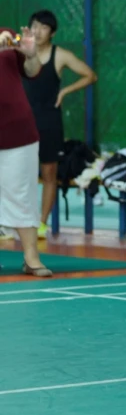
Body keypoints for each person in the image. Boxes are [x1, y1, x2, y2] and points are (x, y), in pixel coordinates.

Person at [23, 10, 97, 238]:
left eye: (43, 27)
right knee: (13, 173)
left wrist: (65, 90)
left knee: (49, 173)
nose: (37, 30)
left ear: (52, 33)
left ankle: (41, 224)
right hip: (20, 122)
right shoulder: (21, 53)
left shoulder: (60, 55)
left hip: (49, 122)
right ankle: (10, 223)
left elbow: (90, 75)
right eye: (34, 25)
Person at [0, 27, 53, 276]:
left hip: (17, 130)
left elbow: (31, 71)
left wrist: (31, 55)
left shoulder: (8, 36)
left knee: (23, 195)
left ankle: (31, 257)